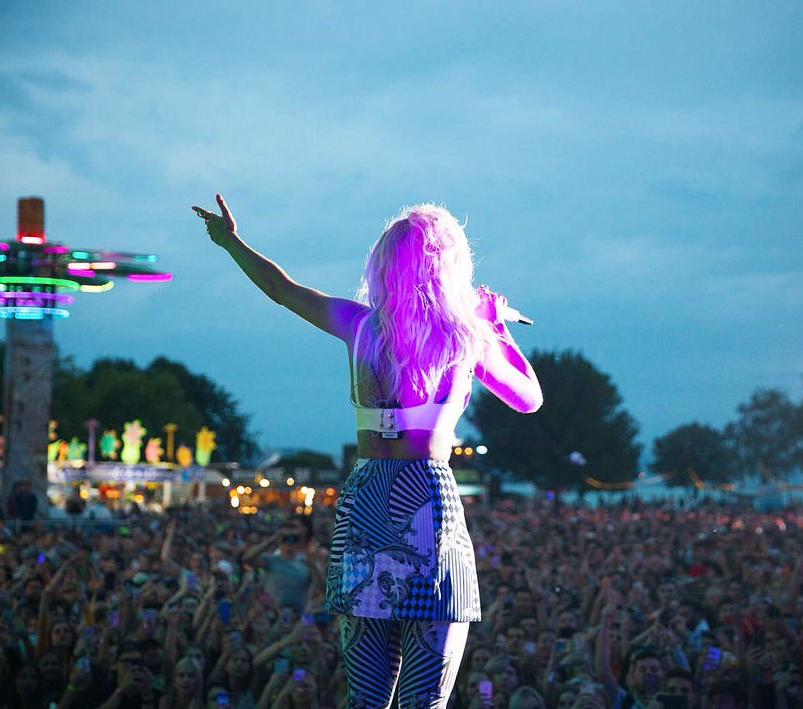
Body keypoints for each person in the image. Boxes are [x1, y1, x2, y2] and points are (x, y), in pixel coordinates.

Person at [193, 195, 543, 707]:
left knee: (367, 699)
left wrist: (231, 243)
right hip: (426, 503)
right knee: (424, 701)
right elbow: (529, 398)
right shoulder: (467, 338)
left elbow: (281, 289)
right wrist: (494, 324)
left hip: (368, 501)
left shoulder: (358, 326)